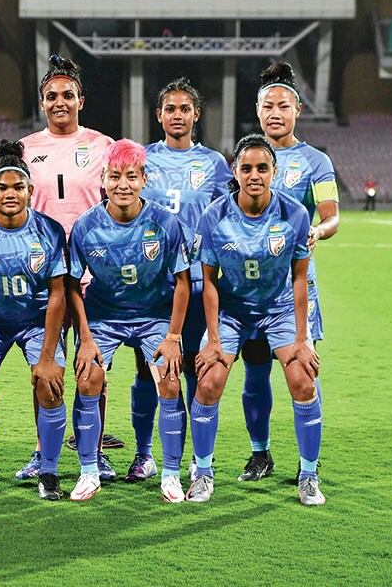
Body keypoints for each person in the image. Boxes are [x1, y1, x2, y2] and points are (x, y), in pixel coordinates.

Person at [189, 133, 324, 506]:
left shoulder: (294, 214)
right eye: (246, 168)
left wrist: (301, 338)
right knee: (209, 382)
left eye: (262, 168)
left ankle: (309, 476)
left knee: (303, 381)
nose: (254, 175)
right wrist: (213, 340)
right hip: (232, 311)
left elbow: (300, 278)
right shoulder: (213, 215)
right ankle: (202, 472)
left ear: (274, 172)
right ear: (235, 171)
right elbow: (210, 283)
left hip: (278, 309)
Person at [67, 139, 191, 502]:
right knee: (88, 377)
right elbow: (73, 286)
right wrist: (86, 337)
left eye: (131, 177)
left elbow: (182, 281)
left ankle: (170, 474)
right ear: (102, 179)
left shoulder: (165, 222)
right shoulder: (86, 225)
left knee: (169, 381)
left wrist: (173, 336)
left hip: (154, 315)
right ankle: (89, 470)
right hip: (105, 316)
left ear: (144, 179)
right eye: (115, 176)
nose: (123, 185)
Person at [17, 54, 117, 481]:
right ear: (42, 102)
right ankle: (43, 450)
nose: (61, 102)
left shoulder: (103, 145)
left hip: (94, 273)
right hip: (44, 273)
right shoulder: (25, 148)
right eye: (52, 96)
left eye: (68, 95)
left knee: (92, 366)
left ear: (81, 99)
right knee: (48, 366)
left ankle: (93, 450)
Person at [238, 61, 338, 483]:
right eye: (267, 106)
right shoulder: (247, 157)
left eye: (283, 105)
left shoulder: (316, 161)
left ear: (297, 109)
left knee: (301, 371)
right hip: (249, 289)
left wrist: (317, 229)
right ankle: (260, 454)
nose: (275, 113)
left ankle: (308, 464)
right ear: (257, 110)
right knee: (255, 370)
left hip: (295, 287)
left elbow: (332, 217)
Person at [0, 140, 68, 500]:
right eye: (2, 187)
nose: (10, 193)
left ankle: (48, 472)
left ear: (30, 191)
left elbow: (57, 295)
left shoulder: (50, 231)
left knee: (50, 388)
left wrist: (48, 358)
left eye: (18, 187)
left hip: (36, 321)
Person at [137, 77, 231, 483]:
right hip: (152, 284)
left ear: (196, 114)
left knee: (195, 369)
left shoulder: (213, 164)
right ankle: (144, 455)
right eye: (169, 109)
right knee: (148, 372)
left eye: (184, 109)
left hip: (195, 282)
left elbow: (226, 221)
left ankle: (195, 457)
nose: (177, 115)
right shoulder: (141, 158)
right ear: (159, 116)